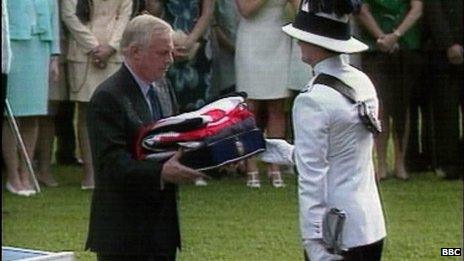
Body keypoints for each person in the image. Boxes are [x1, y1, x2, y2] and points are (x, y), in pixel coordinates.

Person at [262, 0, 387, 259]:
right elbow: (338, 150)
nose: (298, 43)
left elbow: (312, 178)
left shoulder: (312, 99)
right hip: (370, 225)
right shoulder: (361, 81)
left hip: (336, 233)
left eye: (302, 38)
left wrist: (314, 245)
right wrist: (265, 148)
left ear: (315, 42)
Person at [85, 15, 208, 260]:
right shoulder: (108, 97)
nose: (169, 61)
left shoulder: (162, 87)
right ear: (134, 52)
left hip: (162, 226)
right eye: (162, 53)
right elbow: (111, 163)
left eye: (170, 52)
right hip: (123, 230)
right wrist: (160, 172)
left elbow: (175, 135)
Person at [61, 0, 133, 189]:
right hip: (84, 54)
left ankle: (115, 171)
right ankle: (90, 174)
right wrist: (93, 47)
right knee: (86, 112)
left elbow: (124, 16)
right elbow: (69, 14)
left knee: (115, 113)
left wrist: (111, 47)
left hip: (114, 54)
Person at [235, 0, 299, 188]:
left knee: (276, 107)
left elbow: (298, 12)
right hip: (251, 39)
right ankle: (252, 166)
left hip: (278, 38)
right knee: (251, 107)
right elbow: (246, 10)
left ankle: (275, 166)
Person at [357, 0, 423, 180]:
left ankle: (400, 163)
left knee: (402, 106)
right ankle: (381, 165)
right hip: (374, 47)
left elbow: (417, 8)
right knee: (380, 106)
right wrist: (381, 37)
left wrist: (396, 35)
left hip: (406, 44)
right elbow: (362, 9)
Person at [2, 0, 60, 196]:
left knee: (34, 113)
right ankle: (13, 175)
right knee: (12, 116)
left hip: (40, 46)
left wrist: (54, 55)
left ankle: (26, 172)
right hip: (12, 46)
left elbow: (54, 15)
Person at [421, 0, 463, 180]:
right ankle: (449, 164)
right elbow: (434, 10)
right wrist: (448, 43)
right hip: (442, 54)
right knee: (446, 111)